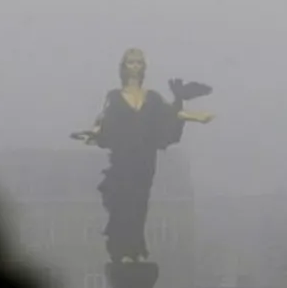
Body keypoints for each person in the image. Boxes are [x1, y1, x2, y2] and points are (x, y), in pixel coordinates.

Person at [71, 48, 214, 263]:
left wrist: (197, 117)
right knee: (122, 203)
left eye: (139, 63)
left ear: (143, 67)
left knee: (139, 203)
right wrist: (91, 133)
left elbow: (171, 114)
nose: (135, 67)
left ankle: (135, 249)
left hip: (144, 161)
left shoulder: (152, 98)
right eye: (131, 62)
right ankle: (122, 250)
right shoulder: (114, 96)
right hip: (122, 160)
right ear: (124, 67)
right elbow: (102, 121)